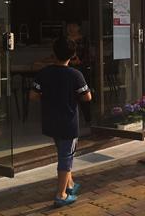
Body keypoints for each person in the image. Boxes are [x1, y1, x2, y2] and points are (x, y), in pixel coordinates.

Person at [29, 37, 92, 207]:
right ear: (72, 55)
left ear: (53, 53)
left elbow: (33, 96)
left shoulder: (44, 73)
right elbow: (87, 96)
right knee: (66, 158)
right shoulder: (75, 74)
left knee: (63, 151)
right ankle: (61, 194)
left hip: (50, 120)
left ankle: (70, 185)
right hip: (68, 123)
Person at [66, 22, 91, 123]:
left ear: (79, 27)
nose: (71, 27)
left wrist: (80, 61)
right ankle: (69, 119)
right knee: (68, 94)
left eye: (74, 25)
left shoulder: (84, 40)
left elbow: (87, 54)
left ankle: (88, 119)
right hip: (66, 69)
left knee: (82, 93)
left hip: (81, 68)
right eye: (69, 25)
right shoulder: (65, 39)